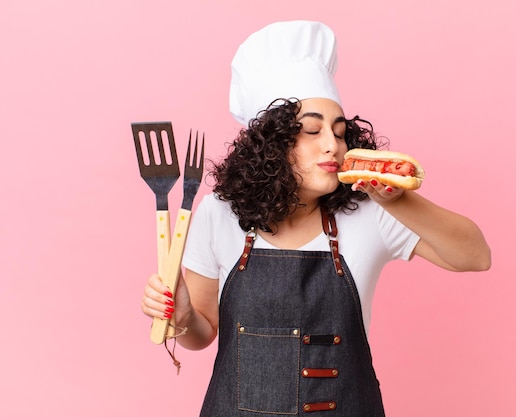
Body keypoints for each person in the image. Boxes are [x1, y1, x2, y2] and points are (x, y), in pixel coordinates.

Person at [141, 20, 490, 416]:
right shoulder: (218, 212)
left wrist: (396, 200)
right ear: (270, 145)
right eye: (311, 129)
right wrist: (183, 315)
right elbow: (201, 333)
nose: (333, 145)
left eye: (340, 132)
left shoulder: (370, 212)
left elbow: (475, 256)